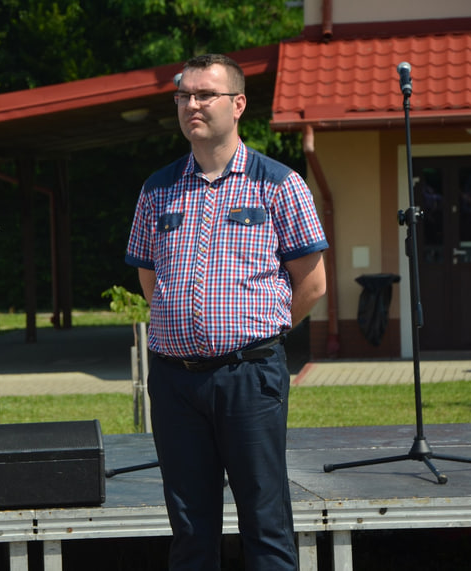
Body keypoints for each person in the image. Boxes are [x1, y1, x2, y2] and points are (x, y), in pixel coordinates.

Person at [125, 54, 328, 570]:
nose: (191, 104)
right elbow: (150, 278)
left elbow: (313, 283)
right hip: (175, 382)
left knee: (265, 521)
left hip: (249, 377)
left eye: (204, 95)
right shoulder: (156, 188)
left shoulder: (279, 183)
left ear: (237, 104)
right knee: (190, 528)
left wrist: (262, 333)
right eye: (183, 96)